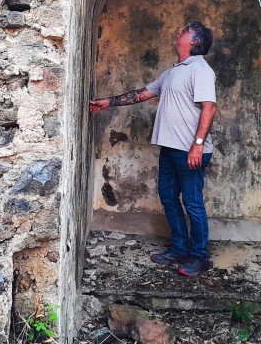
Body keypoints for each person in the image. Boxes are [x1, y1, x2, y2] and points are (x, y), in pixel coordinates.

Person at [89, 21, 218, 277]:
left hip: (190, 150)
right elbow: (142, 94)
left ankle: (200, 256)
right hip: (170, 147)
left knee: (192, 203)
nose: (178, 31)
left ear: (194, 41)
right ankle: (179, 249)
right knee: (168, 198)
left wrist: (197, 145)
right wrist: (108, 103)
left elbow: (209, 107)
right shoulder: (173, 71)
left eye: (184, 31)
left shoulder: (201, 69)